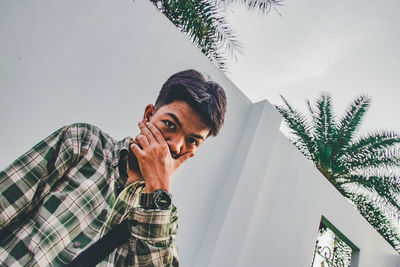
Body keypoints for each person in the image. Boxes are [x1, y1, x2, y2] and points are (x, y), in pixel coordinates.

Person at [0, 69, 227, 266]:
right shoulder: (84, 143)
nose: (176, 145)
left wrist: (158, 189)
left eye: (193, 141)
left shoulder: (166, 220)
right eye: (170, 124)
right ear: (149, 115)